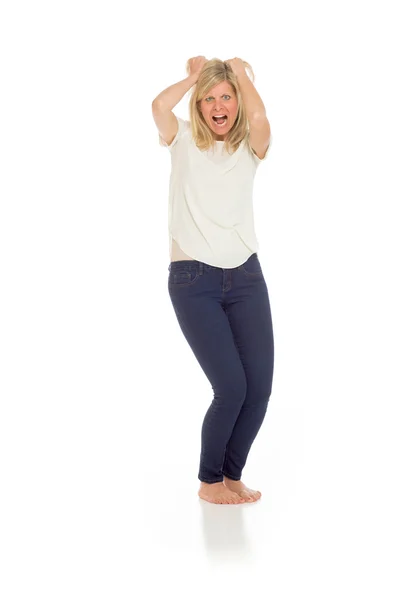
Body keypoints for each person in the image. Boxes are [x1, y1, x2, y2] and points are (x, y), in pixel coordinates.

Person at [152, 57, 274, 505]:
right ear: (199, 105)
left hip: (245, 277)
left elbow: (259, 117)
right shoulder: (181, 139)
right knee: (231, 387)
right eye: (209, 98)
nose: (218, 106)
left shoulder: (249, 146)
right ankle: (208, 482)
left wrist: (241, 75)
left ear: (237, 101)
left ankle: (231, 475)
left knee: (258, 388)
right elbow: (158, 106)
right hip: (193, 280)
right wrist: (193, 76)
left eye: (227, 97)